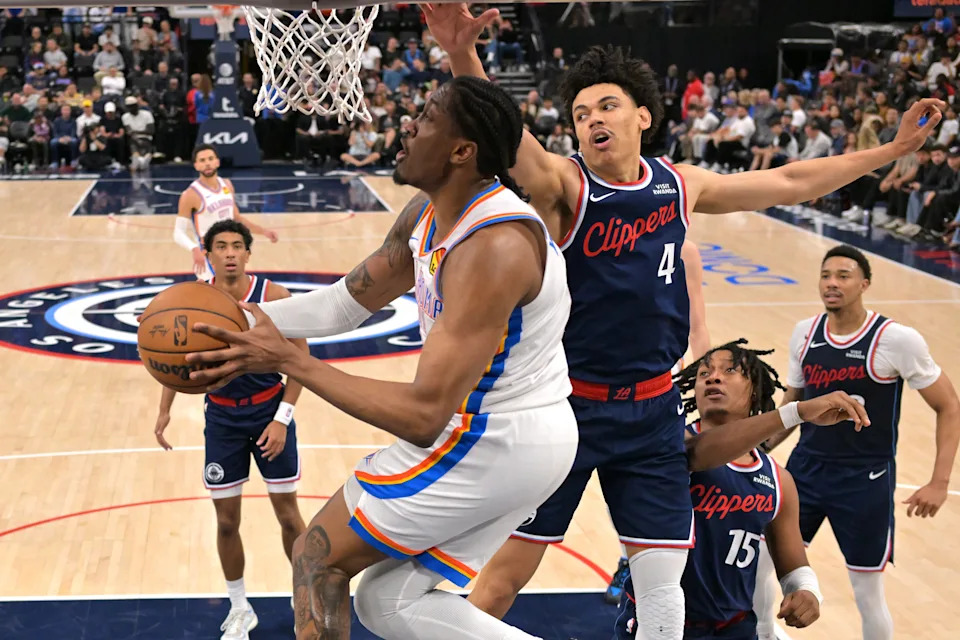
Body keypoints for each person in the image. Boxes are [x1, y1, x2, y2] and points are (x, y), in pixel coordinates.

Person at [419, 4, 942, 637]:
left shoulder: (679, 184)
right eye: (581, 114)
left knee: (663, 579)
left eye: (606, 106)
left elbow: (792, 179)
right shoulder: (565, 183)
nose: (591, 121)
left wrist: (892, 149)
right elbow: (503, 133)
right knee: (507, 574)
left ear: (642, 116)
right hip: (567, 406)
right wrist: (460, 55)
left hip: (651, 410)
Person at [184, 76, 579, 640]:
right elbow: (347, 303)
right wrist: (238, 324)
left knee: (316, 556)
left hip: (496, 438)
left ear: (462, 152)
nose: (408, 124)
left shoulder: (494, 247)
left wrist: (290, 361)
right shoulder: (431, 210)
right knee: (386, 599)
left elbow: (422, 417)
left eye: (428, 118)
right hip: (512, 434)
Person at [755, 245, 960, 640]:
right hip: (805, 472)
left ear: (865, 283)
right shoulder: (806, 332)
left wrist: (938, 482)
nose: (832, 283)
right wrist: (754, 452)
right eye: (826, 274)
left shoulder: (897, 340)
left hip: (865, 480)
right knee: (763, 561)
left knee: (866, 592)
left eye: (844, 275)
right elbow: (792, 408)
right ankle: (763, 633)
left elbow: (949, 405)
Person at [615, 339, 847, 639]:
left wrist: (807, 591)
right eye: (704, 373)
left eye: (730, 371)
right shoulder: (669, 445)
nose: (713, 377)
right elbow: (699, 453)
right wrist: (795, 412)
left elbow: (793, 566)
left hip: (734, 627)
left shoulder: (778, 480)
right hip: (660, 623)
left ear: (755, 391)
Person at [152, 220, 308, 640]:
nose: (230, 253)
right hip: (221, 419)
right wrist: (164, 410)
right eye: (221, 246)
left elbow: (300, 362)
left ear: (248, 253)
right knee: (225, 522)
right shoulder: (194, 297)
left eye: (238, 246)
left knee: (289, 517)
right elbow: (176, 359)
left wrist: (282, 420)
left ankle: (304, 598)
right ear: (208, 253)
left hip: (268, 415)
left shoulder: (274, 297)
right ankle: (239, 607)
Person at [173, 144, 278, 280]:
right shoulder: (190, 194)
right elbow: (178, 232)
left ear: (217, 162)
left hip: (230, 249)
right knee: (214, 297)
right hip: (208, 252)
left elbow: (237, 218)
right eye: (202, 160)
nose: (207, 163)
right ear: (196, 166)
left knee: (234, 294)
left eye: (210, 159)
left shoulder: (227, 184)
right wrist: (194, 248)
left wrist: (264, 232)